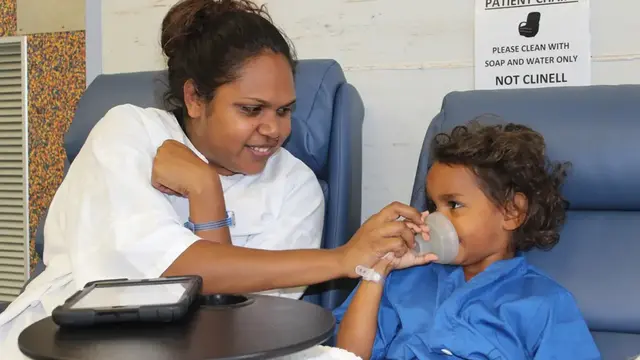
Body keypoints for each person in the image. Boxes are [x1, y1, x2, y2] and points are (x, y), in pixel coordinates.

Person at [0, 0, 429, 357]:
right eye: (251, 109)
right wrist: (342, 258)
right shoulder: (129, 133)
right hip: (71, 340)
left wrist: (206, 195)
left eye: (284, 110)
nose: (274, 129)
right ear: (194, 98)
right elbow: (164, 273)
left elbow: (237, 321)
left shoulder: (295, 183)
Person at [332, 122, 602, 359]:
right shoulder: (403, 280)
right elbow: (347, 356)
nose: (437, 220)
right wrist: (378, 272)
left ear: (511, 212)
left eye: (454, 205)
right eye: (434, 206)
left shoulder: (542, 302)